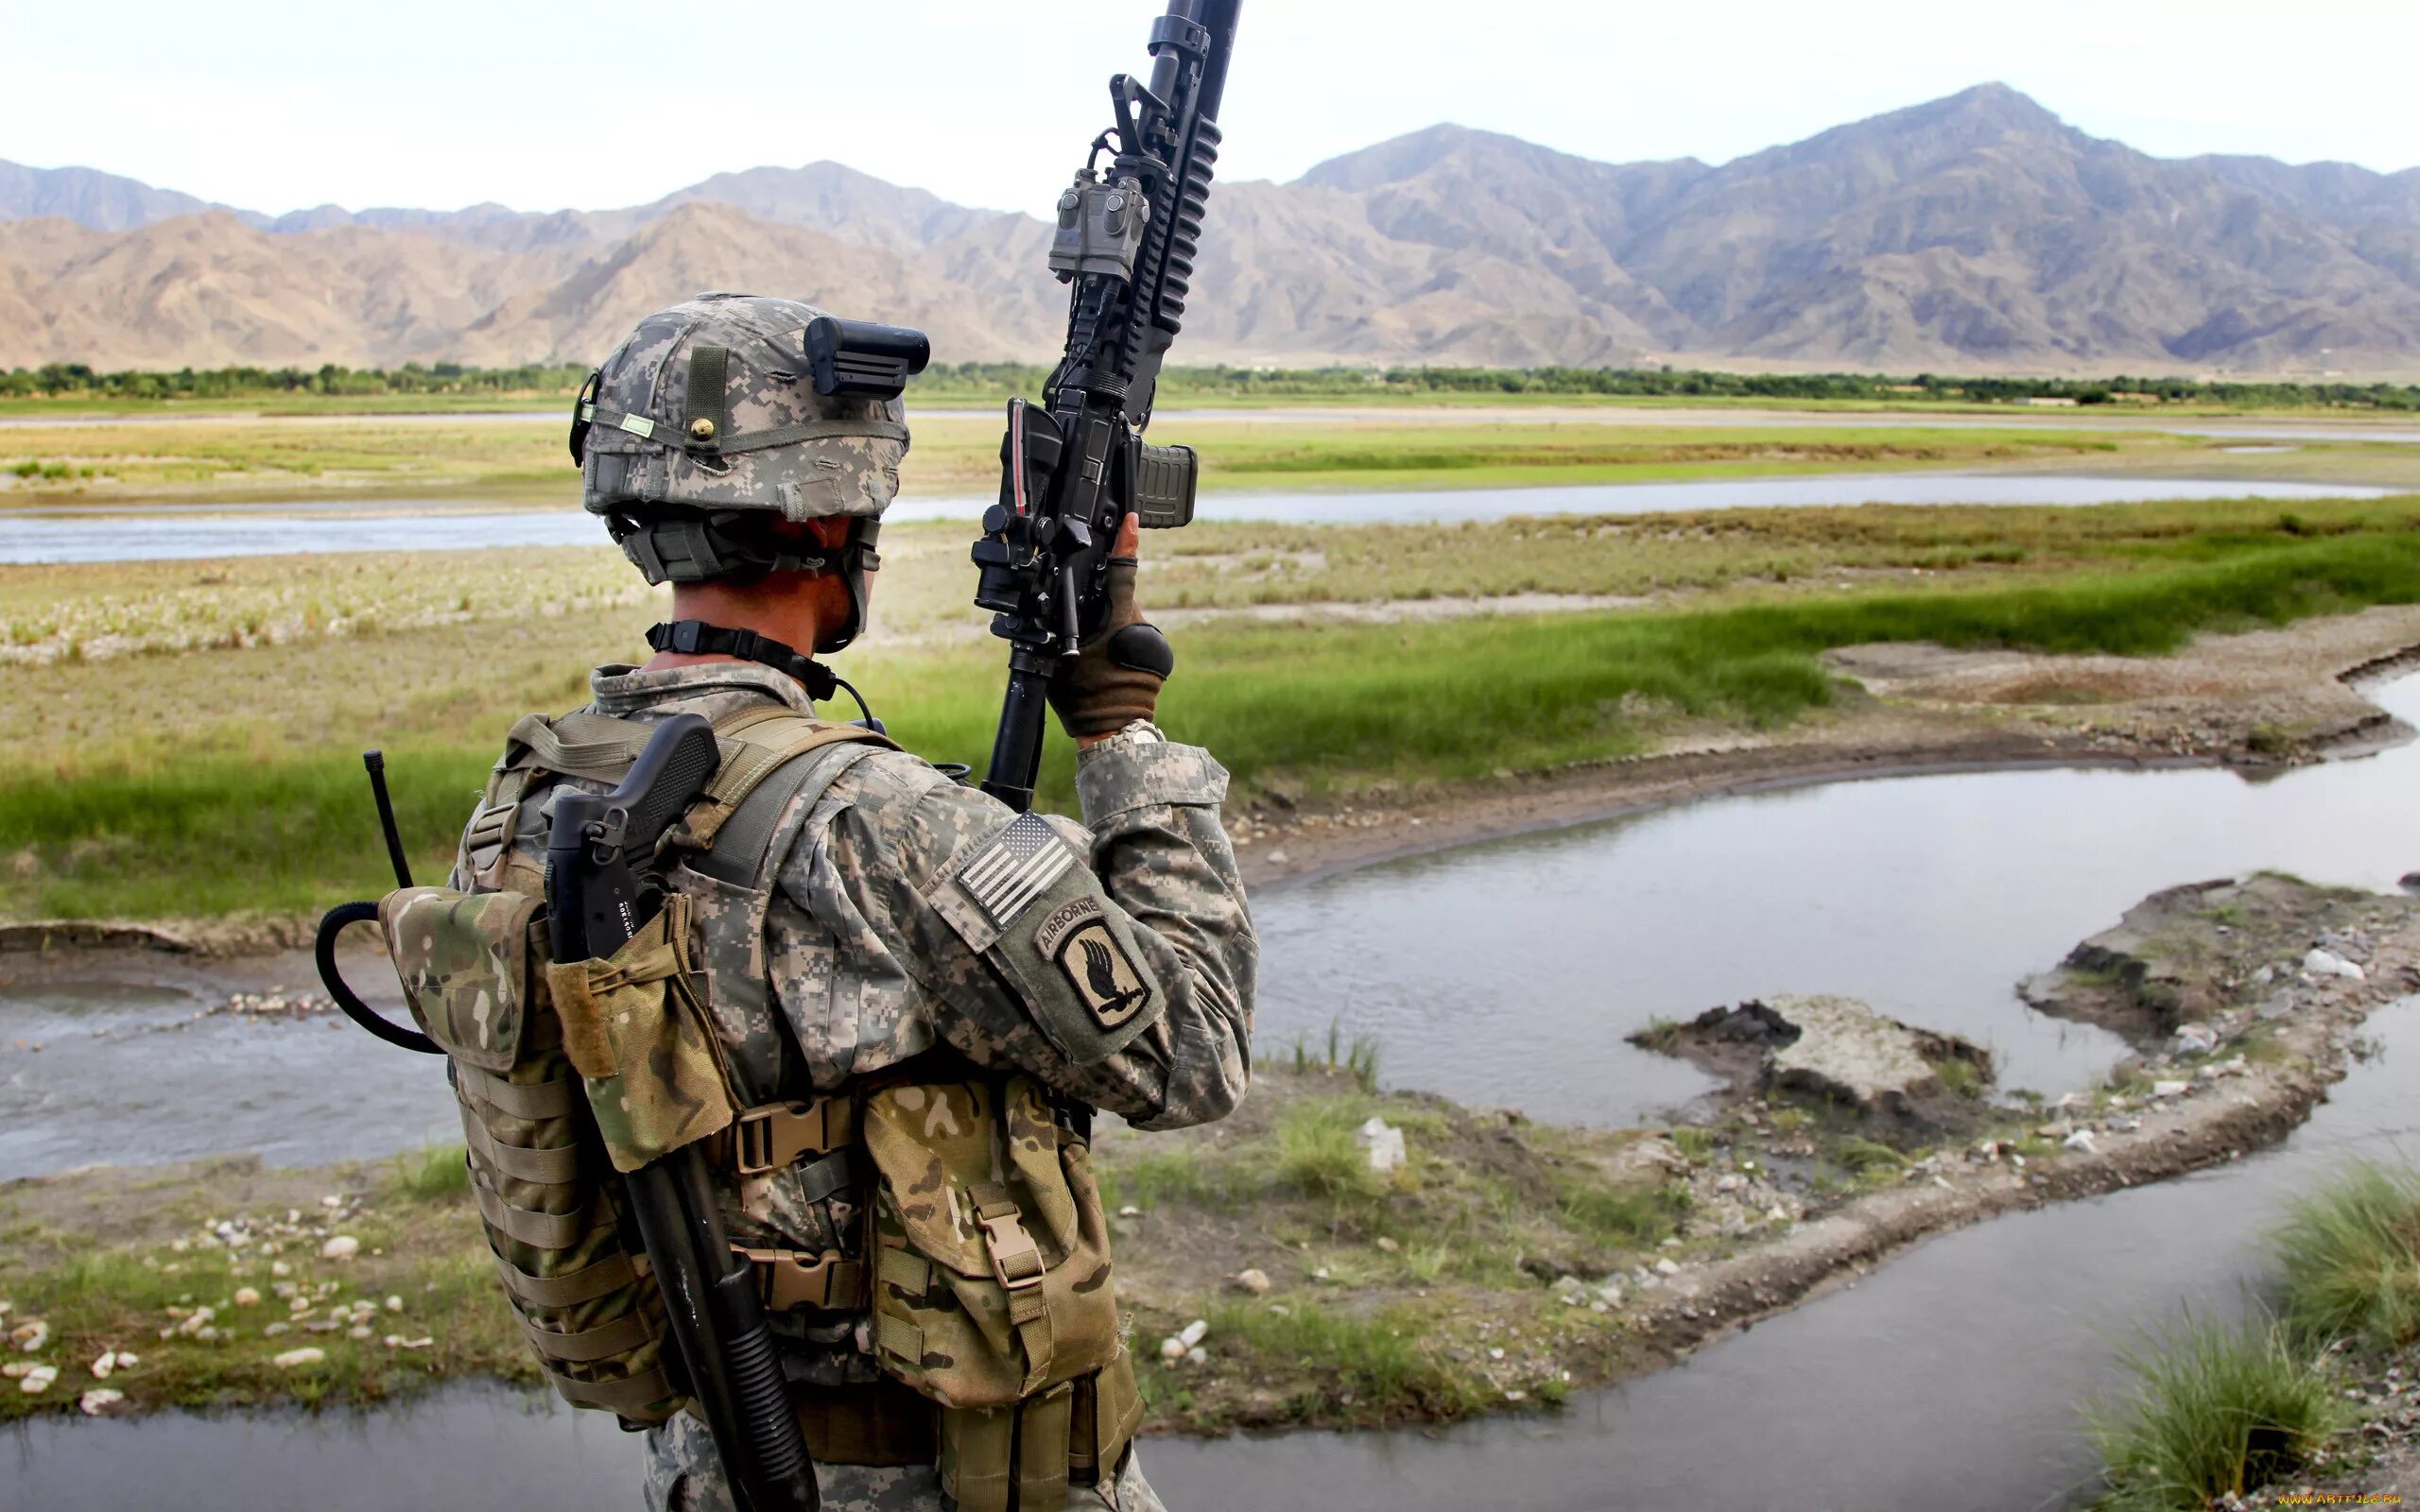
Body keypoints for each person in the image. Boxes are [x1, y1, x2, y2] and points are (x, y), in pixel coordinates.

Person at [459, 294, 1256, 1511]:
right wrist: (1118, 730)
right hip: (943, 1479)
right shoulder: (878, 824)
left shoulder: (526, 796)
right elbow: (1192, 1051)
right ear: (830, 515)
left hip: (714, 1461)